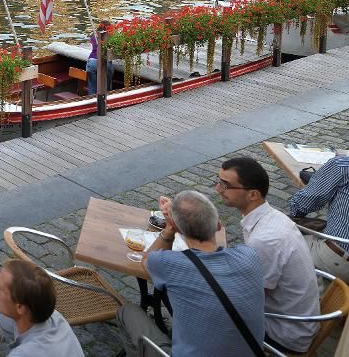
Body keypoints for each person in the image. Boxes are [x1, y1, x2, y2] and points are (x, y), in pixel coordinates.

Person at [117, 190, 263, 357]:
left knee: (126, 312)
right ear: (218, 225)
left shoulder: (169, 264)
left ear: (177, 227)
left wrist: (169, 229)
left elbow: (147, 260)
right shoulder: (249, 255)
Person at [215, 157, 319, 353]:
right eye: (219, 181)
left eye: (226, 185)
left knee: (205, 306)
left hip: (285, 332)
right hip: (291, 317)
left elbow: (248, 297)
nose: (218, 189)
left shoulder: (265, 240)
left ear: (253, 194)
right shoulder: (271, 217)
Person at [287, 152, 349, 282]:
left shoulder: (342, 165)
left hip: (338, 259)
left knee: (273, 239)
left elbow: (303, 205)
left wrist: (323, 178)